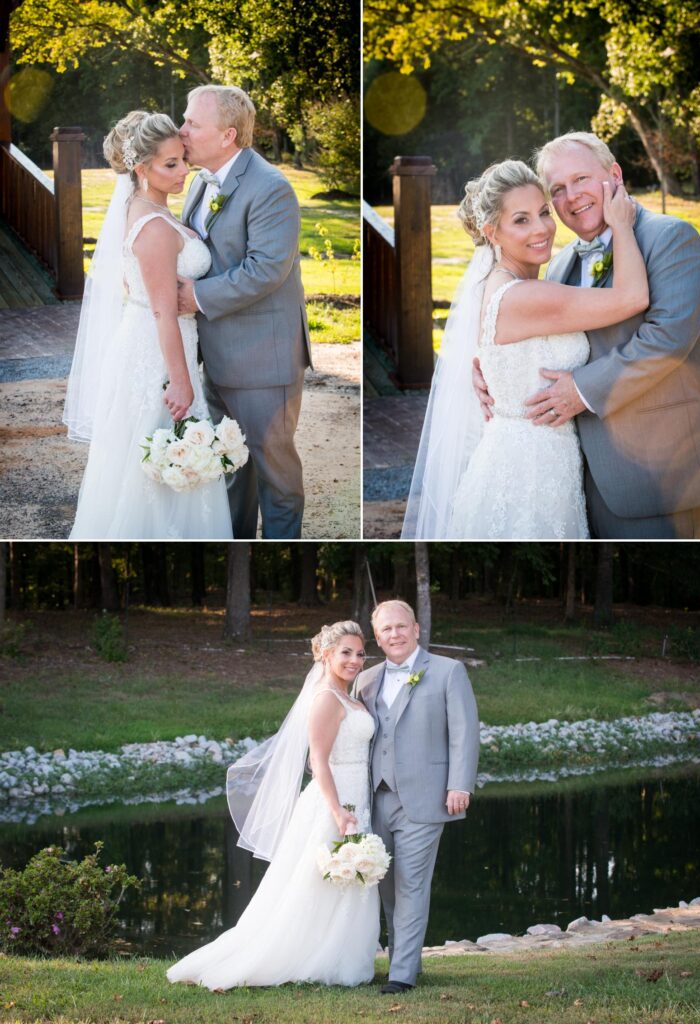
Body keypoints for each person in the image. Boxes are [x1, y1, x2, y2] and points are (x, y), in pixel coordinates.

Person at [475, 133, 700, 539]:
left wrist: (582, 391)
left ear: (615, 174)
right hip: (577, 478)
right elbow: (531, 336)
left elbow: (666, 340)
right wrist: (489, 370)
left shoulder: (672, 239)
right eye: (557, 189)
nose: (571, 197)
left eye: (581, 180)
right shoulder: (559, 265)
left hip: (659, 476)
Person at [402, 158, 649, 539]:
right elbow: (632, 297)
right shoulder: (524, 296)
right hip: (526, 472)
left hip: (540, 461)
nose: (542, 228)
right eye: (521, 220)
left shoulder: (504, 284)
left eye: (544, 212)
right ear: (492, 231)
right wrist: (621, 224)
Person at [166, 621, 380, 990]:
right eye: (346, 652)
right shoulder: (326, 698)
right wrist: (337, 812)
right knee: (316, 881)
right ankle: (298, 957)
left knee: (341, 880)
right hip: (335, 800)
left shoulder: (350, 696)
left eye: (360, 653)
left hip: (357, 796)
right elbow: (319, 762)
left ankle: (337, 955)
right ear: (326, 654)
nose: (355, 660)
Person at [63, 110, 233, 539]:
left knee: (157, 454)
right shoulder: (154, 227)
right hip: (156, 355)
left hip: (149, 341)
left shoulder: (141, 209)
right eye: (170, 164)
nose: (183, 172)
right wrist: (180, 380)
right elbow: (162, 312)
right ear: (142, 169)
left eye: (183, 160)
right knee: (159, 452)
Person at [178, 85, 312, 539]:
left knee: (276, 477)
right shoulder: (200, 181)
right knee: (231, 468)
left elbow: (266, 269)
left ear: (227, 135)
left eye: (193, 123)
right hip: (216, 354)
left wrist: (194, 297)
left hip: (263, 360)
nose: (182, 130)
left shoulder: (271, 188)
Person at [354, 600, 479, 994]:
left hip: (426, 798)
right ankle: (404, 961)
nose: (395, 634)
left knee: (411, 886)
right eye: (386, 629)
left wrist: (460, 784)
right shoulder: (367, 679)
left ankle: (402, 975)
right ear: (377, 637)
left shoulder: (447, 671)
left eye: (401, 626)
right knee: (384, 884)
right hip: (376, 798)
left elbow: (465, 731)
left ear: (417, 628)